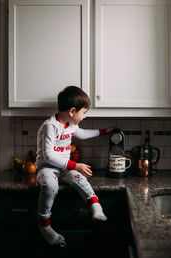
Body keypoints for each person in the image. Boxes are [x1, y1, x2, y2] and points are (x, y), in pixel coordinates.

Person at [35, 86, 115, 247]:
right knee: (50, 186)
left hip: (64, 168)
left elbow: (83, 134)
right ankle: (44, 223)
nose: (85, 116)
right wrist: (75, 165)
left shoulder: (71, 125)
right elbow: (48, 155)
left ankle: (95, 206)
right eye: (84, 112)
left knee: (80, 178)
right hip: (46, 168)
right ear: (72, 111)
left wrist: (104, 131)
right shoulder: (50, 126)